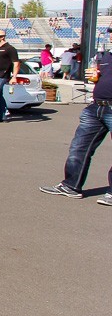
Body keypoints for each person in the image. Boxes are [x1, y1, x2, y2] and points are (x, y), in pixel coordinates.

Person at [40, 27, 112, 205]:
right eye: (111, 32)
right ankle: (71, 186)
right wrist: (96, 76)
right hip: (96, 107)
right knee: (79, 148)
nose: (111, 35)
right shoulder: (105, 57)